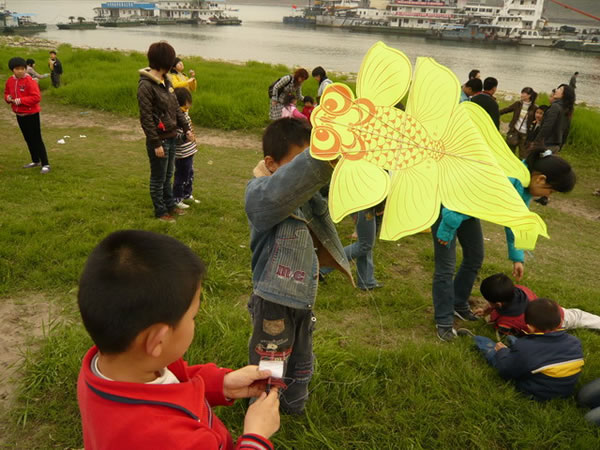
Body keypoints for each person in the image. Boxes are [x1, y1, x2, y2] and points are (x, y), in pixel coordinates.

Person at [76, 230, 280, 449]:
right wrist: (256, 436)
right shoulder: (172, 440)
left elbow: (174, 384)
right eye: (193, 317)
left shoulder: (110, 368)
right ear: (158, 340)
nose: (195, 323)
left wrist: (221, 385)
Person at [245, 118, 353, 414]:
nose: (305, 175)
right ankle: (262, 413)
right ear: (271, 164)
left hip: (303, 299)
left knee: (301, 359)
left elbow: (335, 184)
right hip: (273, 301)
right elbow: (282, 189)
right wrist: (317, 159)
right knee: (270, 362)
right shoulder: (260, 193)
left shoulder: (310, 197)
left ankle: (294, 406)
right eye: (298, 164)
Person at [433, 148, 576, 341]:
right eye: (550, 191)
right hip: (449, 208)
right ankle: (443, 321)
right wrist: (446, 230)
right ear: (540, 179)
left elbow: (514, 221)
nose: (548, 196)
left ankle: (458, 303)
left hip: (468, 211)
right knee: (446, 267)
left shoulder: (523, 188)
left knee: (475, 256)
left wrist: (517, 258)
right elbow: (468, 197)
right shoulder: (507, 179)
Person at [472, 298, 584, 401]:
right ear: (560, 322)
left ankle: (476, 339)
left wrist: (501, 352)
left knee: (496, 352)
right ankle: (513, 344)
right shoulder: (575, 341)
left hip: (538, 392)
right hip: (566, 389)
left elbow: (506, 370)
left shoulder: (525, 348)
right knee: (521, 347)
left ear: (530, 327)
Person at [137, 41, 193, 222]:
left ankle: (170, 205)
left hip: (172, 137)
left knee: (169, 175)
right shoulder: (146, 86)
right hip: (159, 140)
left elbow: (176, 108)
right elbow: (146, 118)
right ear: (163, 61)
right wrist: (155, 143)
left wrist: (186, 128)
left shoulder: (166, 80)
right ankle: (160, 212)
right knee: (158, 178)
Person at [476, 273, 600, 336]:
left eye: (488, 301)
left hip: (555, 321)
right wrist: (487, 310)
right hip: (552, 311)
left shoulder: (506, 322)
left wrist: (490, 316)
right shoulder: (521, 289)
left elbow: (501, 329)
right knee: (579, 316)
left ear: (498, 304)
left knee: (578, 318)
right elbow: (499, 307)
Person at [4, 57, 51, 174]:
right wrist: (8, 98)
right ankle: (35, 161)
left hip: (32, 114)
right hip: (19, 114)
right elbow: (6, 93)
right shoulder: (10, 81)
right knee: (28, 138)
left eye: (22, 68)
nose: (20, 71)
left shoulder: (30, 81)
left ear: (25, 69)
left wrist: (21, 100)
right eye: (17, 69)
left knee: (36, 139)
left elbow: (36, 97)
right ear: (12, 70)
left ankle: (46, 164)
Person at [172, 87, 200, 209]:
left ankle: (187, 194)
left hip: (189, 151)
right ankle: (177, 198)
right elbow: (175, 137)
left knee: (189, 174)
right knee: (181, 176)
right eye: (186, 106)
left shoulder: (184, 114)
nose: (188, 108)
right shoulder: (176, 118)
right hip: (182, 154)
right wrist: (185, 137)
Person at [535, 84, 575, 153]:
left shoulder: (555, 107)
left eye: (560, 89)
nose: (556, 90)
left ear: (564, 94)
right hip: (556, 145)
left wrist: (536, 142)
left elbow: (547, 126)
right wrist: (561, 145)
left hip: (546, 144)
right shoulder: (566, 109)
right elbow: (566, 130)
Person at [499, 87, 537, 158]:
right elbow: (506, 110)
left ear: (529, 95)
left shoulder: (534, 108)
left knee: (523, 155)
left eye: (524, 93)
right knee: (509, 152)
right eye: (521, 93)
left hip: (525, 134)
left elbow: (537, 120)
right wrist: (495, 112)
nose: (521, 95)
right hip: (514, 131)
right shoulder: (518, 104)